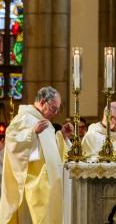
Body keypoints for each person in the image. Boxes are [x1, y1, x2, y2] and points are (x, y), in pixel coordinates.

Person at [0, 86, 73, 223]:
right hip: (34, 185)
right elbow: (12, 140)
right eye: (53, 108)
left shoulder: (45, 122)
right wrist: (32, 133)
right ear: (43, 102)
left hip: (51, 183)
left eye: (57, 109)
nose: (55, 113)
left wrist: (62, 136)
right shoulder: (24, 118)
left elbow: (51, 149)